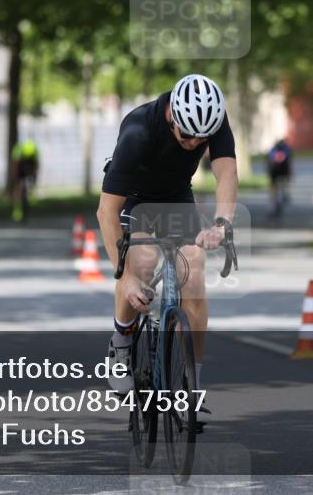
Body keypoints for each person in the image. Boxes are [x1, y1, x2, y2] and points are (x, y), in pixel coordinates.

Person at [96, 74, 238, 424]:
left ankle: (191, 387)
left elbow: (227, 174)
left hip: (176, 198)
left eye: (201, 139)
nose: (193, 144)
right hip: (135, 198)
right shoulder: (138, 130)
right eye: (187, 135)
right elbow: (106, 212)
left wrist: (221, 223)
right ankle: (121, 344)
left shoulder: (212, 120)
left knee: (194, 267)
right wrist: (125, 277)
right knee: (141, 261)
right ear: (173, 115)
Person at [10, 139, 39, 222]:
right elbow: (15, 166)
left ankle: (31, 192)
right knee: (18, 186)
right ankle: (17, 209)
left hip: (30, 164)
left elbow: (36, 166)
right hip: (20, 166)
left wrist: (33, 176)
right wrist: (15, 178)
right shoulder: (18, 151)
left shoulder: (34, 151)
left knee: (32, 177)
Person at [266, 138, 293, 217]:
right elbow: (289, 162)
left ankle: (272, 206)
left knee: (273, 189)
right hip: (284, 170)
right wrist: (290, 174)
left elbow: (268, 161)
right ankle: (283, 195)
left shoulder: (272, 150)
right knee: (283, 183)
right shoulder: (287, 149)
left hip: (273, 170)